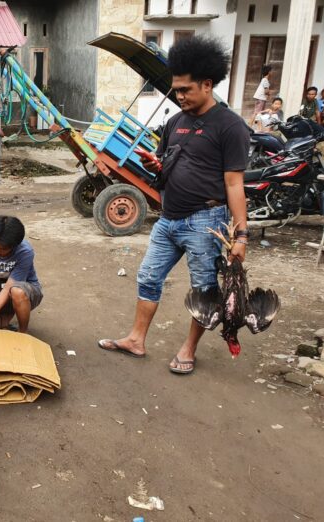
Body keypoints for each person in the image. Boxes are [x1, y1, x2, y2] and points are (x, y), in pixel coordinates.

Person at [97, 35, 250, 375]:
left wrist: (241, 236)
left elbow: (234, 183)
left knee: (204, 290)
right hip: (168, 219)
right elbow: (172, 164)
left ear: (207, 84)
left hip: (206, 220)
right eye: (176, 90)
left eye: (186, 90)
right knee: (148, 277)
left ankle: (189, 348)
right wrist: (158, 165)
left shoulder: (230, 126)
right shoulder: (174, 124)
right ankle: (136, 339)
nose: (179, 96)